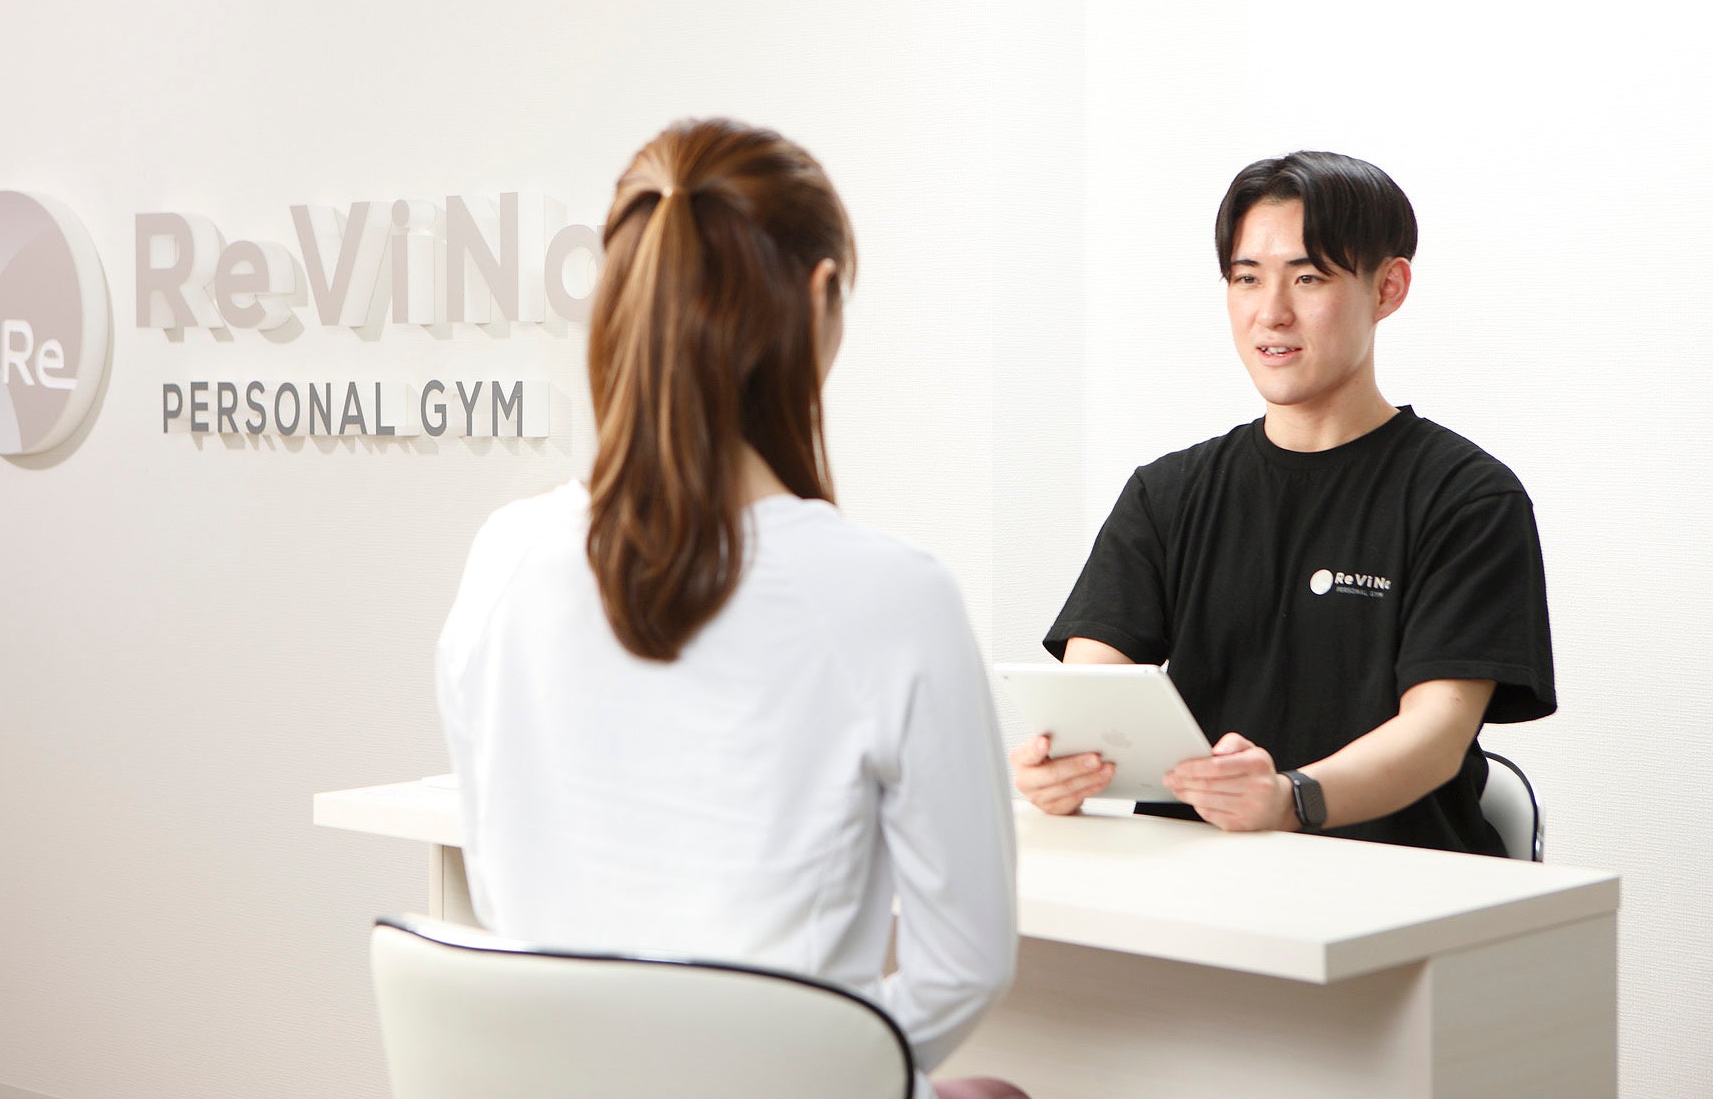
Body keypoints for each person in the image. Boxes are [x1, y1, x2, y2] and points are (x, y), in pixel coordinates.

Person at [437, 118, 1027, 1098]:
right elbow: (964, 966)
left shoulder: (504, 558)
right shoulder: (894, 596)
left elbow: (510, 896)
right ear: (821, 295)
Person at [1014, 151, 1556, 856]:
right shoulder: (1167, 494)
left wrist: (1290, 798)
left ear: (1388, 288)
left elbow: (1435, 735)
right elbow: (1090, 698)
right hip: (1191, 878)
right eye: (1247, 278)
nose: (1271, 313)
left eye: (1308, 277)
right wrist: (1060, 765)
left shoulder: (1467, 498)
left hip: (1398, 878)